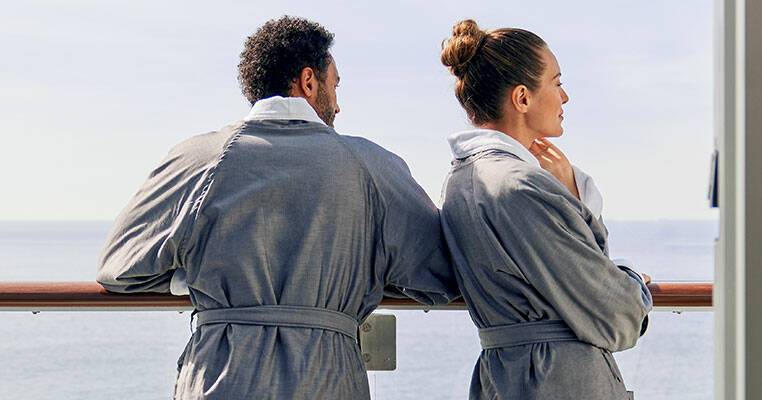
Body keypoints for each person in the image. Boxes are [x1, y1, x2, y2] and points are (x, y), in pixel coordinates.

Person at [96, 16, 458, 400]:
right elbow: (438, 278)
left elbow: (119, 268)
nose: (338, 104)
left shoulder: (197, 159)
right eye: (334, 86)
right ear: (308, 81)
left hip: (220, 378)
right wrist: (359, 274)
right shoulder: (372, 166)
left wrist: (202, 277)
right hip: (327, 379)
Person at [435, 19, 653, 400]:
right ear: (522, 98)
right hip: (560, 380)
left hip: (501, 378)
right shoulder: (523, 186)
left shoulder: (458, 181)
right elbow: (618, 314)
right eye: (557, 82)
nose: (565, 97)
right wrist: (634, 283)